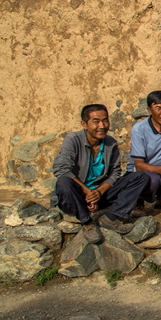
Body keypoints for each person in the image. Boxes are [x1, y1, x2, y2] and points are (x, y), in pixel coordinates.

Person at [53, 104, 148, 244]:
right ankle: (87, 222)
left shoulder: (110, 143)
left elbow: (115, 172)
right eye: (96, 122)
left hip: (100, 194)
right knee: (63, 183)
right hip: (77, 195)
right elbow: (61, 169)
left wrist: (98, 192)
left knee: (141, 177)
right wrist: (87, 192)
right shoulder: (73, 140)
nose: (102, 126)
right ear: (84, 124)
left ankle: (110, 217)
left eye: (105, 120)